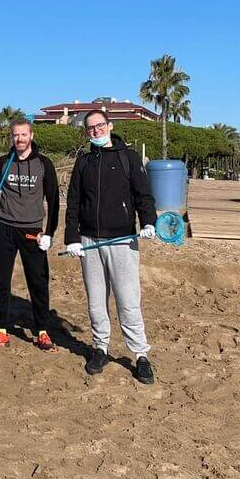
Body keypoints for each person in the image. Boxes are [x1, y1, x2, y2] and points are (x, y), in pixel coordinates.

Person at [63, 110, 158, 384]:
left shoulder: (129, 157)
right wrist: (72, 238)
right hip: (89, 241)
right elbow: (73, 203)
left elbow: (143, 195)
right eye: (90, 128)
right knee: (96, 302)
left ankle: (140, 354)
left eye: (100, 125)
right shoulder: (83, 162)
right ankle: (100, 348)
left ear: (110, 126)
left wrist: (148, 222)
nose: (96, 131)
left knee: (128, 301)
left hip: (123, 240)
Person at [0, 117, 61, 351]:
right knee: (1, 281)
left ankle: (42, 331)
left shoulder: (43, 164)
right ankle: (3, 329)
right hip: (5, 227)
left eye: (23, 134)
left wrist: (49, 232)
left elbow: (54, 201)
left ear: (31, 135)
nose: (20, 139)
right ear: (12, 137)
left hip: (32, 231)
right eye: (16, 135)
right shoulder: (2, 163)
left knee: (38, 281)